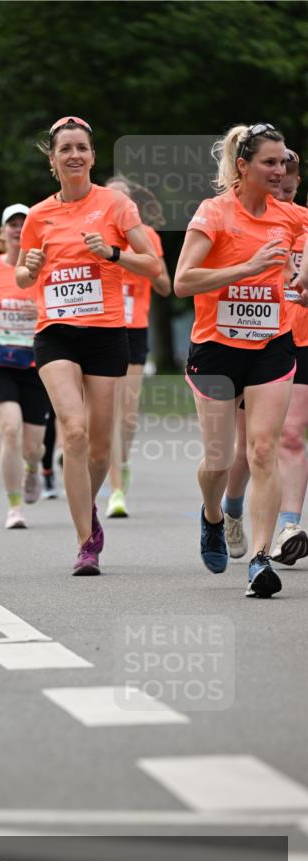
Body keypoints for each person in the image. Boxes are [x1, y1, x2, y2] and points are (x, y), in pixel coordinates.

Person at [16, 116, 161, 573]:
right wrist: (32, 266)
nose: (74, 155)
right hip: (55, 332)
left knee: (99, 447)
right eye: (65, 149)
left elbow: (154, 264)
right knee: (73, 431)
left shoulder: (116, 205)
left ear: (93, 157)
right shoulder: (38, 215)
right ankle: (85, 542)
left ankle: (90, 508)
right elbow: (22, 275)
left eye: (82, 148)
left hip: (105, 334)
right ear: (53, 159)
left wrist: (113, 253)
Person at [174, 124, 308, 597]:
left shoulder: (290, 217)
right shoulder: (214, 213)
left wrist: (304, 282)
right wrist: (248, 268)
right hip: (215, 348)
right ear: (243, 166)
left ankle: (260, 557)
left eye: (282, 162)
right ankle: (213, 516)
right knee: (217, 458)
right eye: (268, 163)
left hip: (271, 345)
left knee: (263, 450)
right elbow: (183, 281)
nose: (278, 171)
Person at [222, 149, 308, 565]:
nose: (286, 197)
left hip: (299, 340)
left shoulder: (301, 221)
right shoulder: (244, 220)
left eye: (292, 189)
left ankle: (289, 527)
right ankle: (232, 508)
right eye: (279, 189)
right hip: (253, 342)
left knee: (288, 437)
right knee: (247, 449)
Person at [0, 204, 49, 529]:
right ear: (2, 233)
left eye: (24, 223)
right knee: (10, 430)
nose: (18, 229)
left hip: (35, 362)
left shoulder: (44, 267)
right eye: (12, 224)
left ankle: (33, 468)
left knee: (33, 447)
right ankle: (14, 507)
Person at [104, 176, 172, 517]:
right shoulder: (93, 236)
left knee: (128, 417)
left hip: (135, 329)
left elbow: (165, 286)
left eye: (124, 200)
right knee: (109, 414)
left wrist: (135, 263)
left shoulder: (148, 238)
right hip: (101, 329)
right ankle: (115, 489)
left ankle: (123, 466)